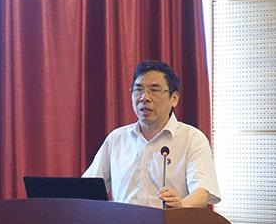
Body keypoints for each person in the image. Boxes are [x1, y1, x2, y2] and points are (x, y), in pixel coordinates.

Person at [83, 60, 220, 209]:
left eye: (154, 90)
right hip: (122, 223)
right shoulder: (117, 138)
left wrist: (181, 205)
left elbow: (202, 191)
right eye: (138, 90)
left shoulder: (192, 139)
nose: (144, 97)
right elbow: (88, 188)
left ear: (174, 98)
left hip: (170, 223)